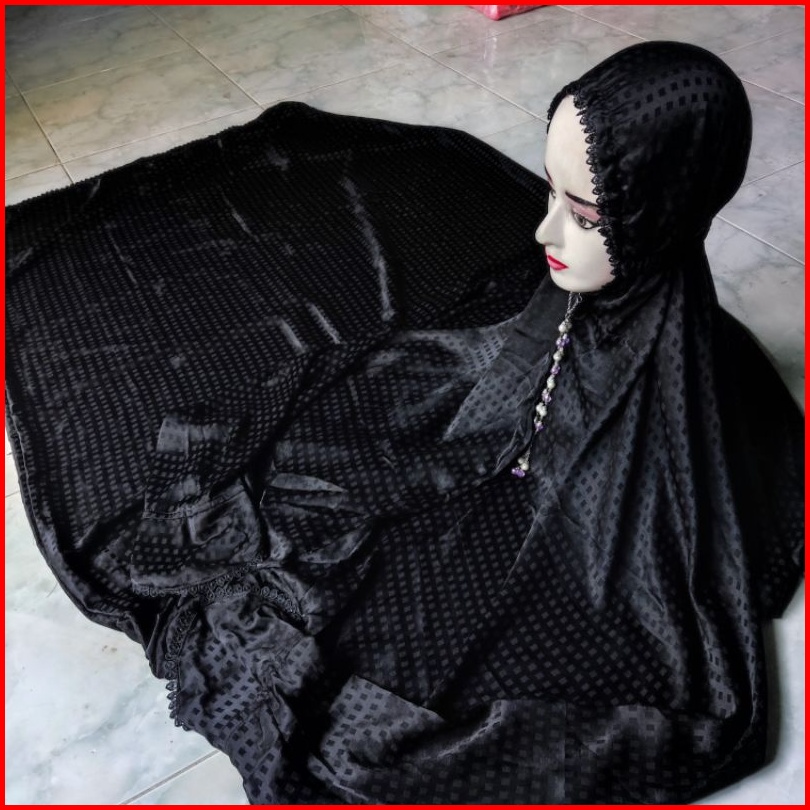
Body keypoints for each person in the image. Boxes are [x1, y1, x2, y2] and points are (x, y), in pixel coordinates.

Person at [5, 41, 803, 803]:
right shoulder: (556, 313)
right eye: (551, 194)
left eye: (587, 213)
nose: (543, 232)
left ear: (664, 209)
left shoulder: (682, 429)